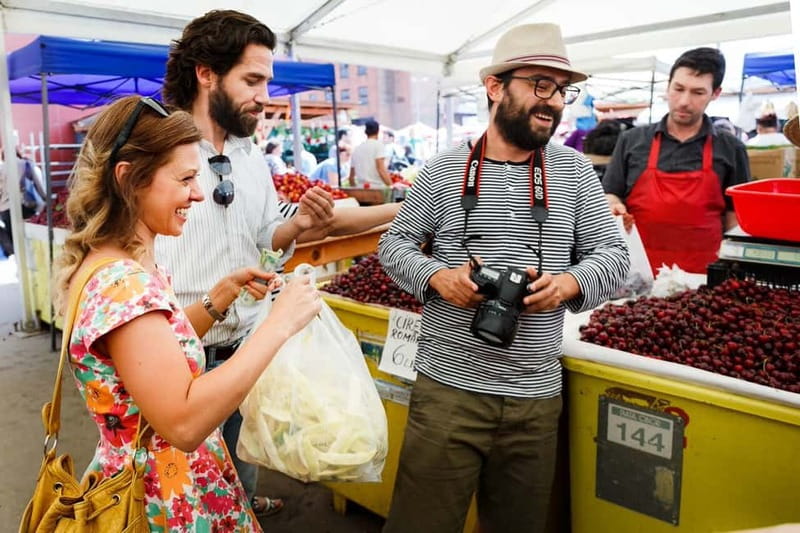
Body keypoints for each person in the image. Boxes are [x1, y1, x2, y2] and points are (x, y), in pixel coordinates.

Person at [378, 23, 629, 533]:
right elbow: (393, 244)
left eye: (561, 90)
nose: (553, 101)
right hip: (447, 393)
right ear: (495, 86)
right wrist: (437, 276)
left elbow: (614, 256)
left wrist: (568, 284)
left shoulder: (575, 172)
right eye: (540, 84)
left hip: (535, 399)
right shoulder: (443, 170)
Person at [53, 95, 321, 531]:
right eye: (185, 179)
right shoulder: (124, 285)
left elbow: (157, 352)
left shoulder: (118, 263)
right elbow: (183, 422)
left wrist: (219, 297)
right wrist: (279, 325)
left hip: (154, 481)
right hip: (164, 499)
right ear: (129, 178)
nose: (198, 193)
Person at [157, 10, 336, 518]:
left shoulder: (250, 155)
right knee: (179, 502)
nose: (264, 96)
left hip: (244, 353)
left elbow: (265, 238)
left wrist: (298, 225)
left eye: (266, 82)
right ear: (206, 73)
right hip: (177, 363)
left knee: (236, 488)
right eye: (252, 80)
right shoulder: (157, 148)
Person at [602, 47, 751, 274]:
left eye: (698, 92)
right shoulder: (631, 140)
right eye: (678, 89)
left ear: (715, 93)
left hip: (704, 276)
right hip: (637, 272)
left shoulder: (731, 148)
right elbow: (611, 193)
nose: (684, 101)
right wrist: (614, 206)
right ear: (668, 85)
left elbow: (735, 220)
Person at [349, 119, 391, 187]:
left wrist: (354, 188)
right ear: (378, 131)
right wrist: (391, 186)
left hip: (360, 188)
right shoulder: (378, 146)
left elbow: (351, 177)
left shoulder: (357, 149)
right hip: (377, 188)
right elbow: (381, 169)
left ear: (365, 132)